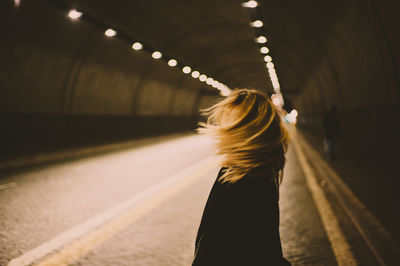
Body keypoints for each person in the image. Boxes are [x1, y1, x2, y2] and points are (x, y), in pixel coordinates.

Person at [192, 88, 291, 266]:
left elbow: (256, 254)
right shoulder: (237, 172)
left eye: (227, 124)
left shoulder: (249, 186)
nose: (221, 130)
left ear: (245, 134)